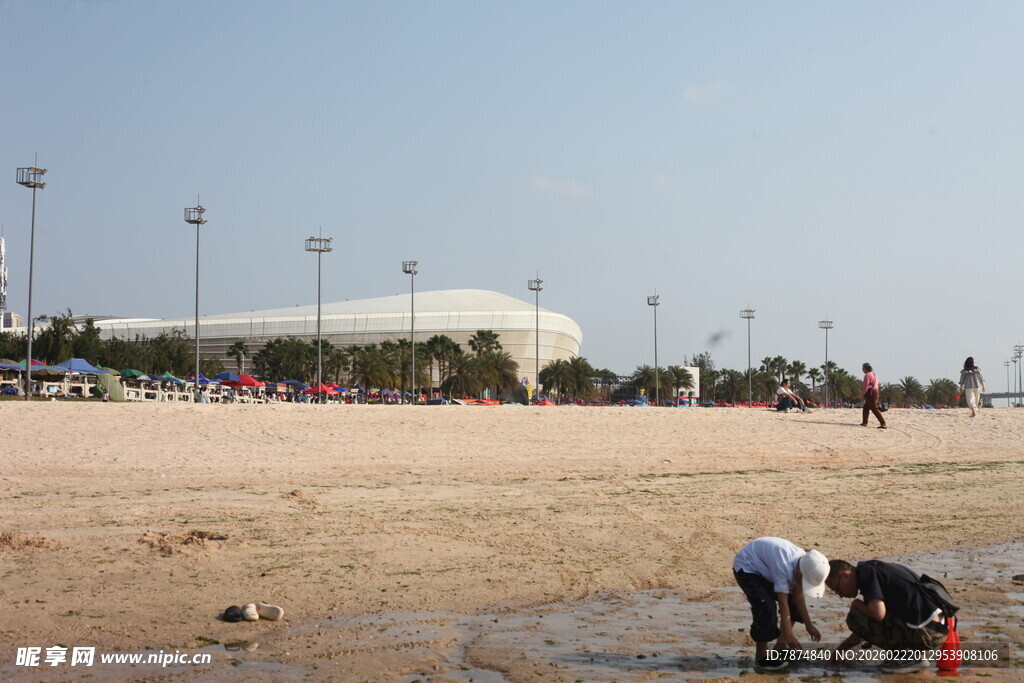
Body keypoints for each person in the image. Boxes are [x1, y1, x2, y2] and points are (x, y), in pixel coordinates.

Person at [826, 558, 950, 673]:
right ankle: (906, 653)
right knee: (865, 612)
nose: (840, 595)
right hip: (936, 628)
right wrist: (841, 650)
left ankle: (907, 656)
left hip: (927, 633)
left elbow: (878, 614)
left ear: (844, 575)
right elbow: (871, 621)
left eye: (837, 589)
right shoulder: (871, 569)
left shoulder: (867, 574)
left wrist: (857, 604)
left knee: (855, 616)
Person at [733, 537, 829, 673]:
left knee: (794, 605)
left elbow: (798, 596)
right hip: (748, 567)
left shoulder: (804, 564)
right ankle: (761, 658)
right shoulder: (784, 565)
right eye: (804, 582)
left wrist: (809, 624)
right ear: (799, 572)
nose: (803, 585)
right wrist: (790, 635)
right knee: (766, 607)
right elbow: (783, 604)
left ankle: (780, 649)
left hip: (767, 568)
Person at [861, 363, 886, 429]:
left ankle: (883, 423)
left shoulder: (867, 375)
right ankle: (864, 422)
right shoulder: (874, 375)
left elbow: (865, 386)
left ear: (865, 369)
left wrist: (863, 395)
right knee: (866, 407)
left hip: (870, 392)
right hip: (875, 391)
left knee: (874, 408)